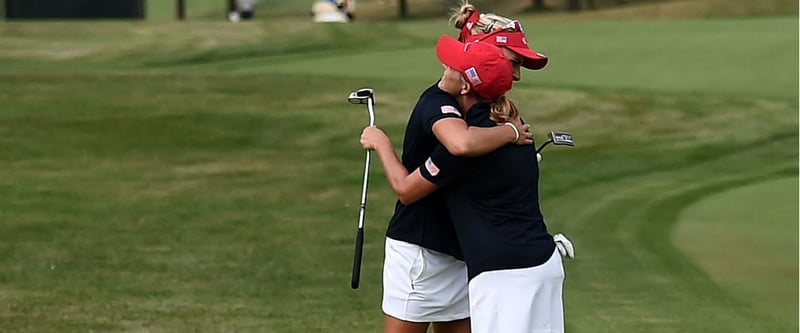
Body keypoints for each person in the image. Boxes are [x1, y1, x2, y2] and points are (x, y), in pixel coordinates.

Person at [361, 35, 565, 333]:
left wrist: (381, 143)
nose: (444, 66)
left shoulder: (465, 145)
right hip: (537, 261)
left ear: (467, 86)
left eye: (452, 66)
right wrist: (509, 131)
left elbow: (407, 188)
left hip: (498, 272)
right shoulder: (513, 124)